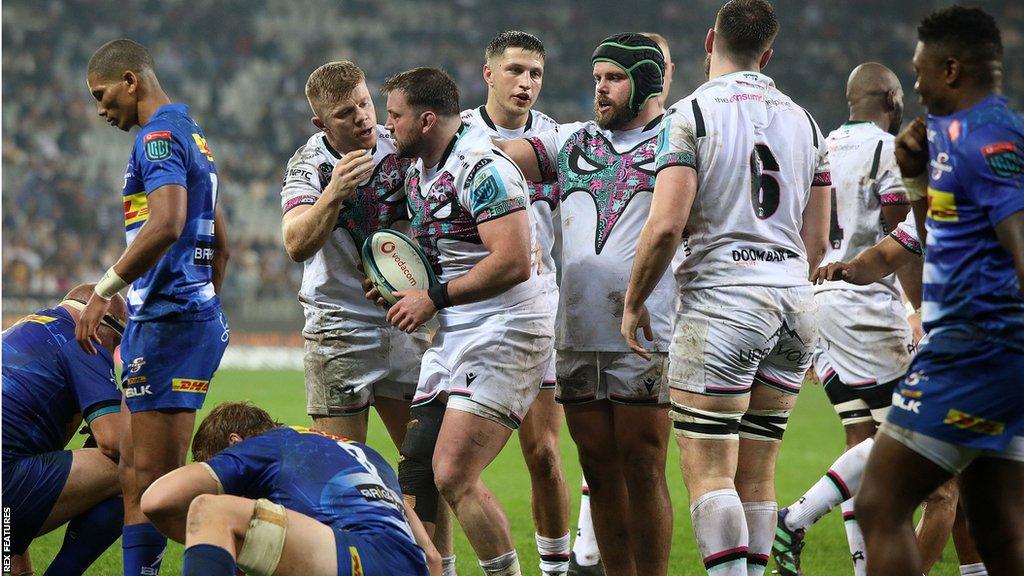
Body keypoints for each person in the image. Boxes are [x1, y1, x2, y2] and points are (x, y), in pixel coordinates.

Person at [621, 1, 833, 574]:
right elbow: (817, 241)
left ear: (711, 39)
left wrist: (635, 299)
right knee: (759, 472)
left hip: (724, 303)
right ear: (769, 54)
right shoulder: (807, 121)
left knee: (710, 470)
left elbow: (665, 224)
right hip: (794, 302)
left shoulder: (691, 114)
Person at [497, 32, 676, 576]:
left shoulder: (677, 141)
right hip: (575, 331)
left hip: (644, 331)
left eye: (614, 78)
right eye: (597, 78)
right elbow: (501, 157)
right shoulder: (571, 141)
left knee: (643, 466)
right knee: (597, 469)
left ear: (644, 80)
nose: (600, 88)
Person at [855, 6, 1024, 575]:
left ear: (951, 69)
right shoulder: (956, 138)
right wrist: (917, 184)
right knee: (998, 528)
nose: (917, 86)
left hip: (976, 351)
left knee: (880, 502)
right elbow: (942, 244)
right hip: (992, 355)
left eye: (921, 71)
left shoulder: (992, 142)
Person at [379, 67, 553, 576]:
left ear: (427, 120)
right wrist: (401, 287)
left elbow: (514, 260)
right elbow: (449, 253)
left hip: (509, 324)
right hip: (460, 325)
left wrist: (431, 297)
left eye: (395, 115)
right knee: (417, 471)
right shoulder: (418, 170)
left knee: (453, 471)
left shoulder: (483, 168)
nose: (388, 126)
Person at [82, 38, 230, 575]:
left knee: (157, 485)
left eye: (102, 95)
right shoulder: (191, 134)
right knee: (131, 472)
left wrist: (103, 291)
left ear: (130, 80)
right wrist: (207, 304)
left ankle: (242, 549)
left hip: (172, 324)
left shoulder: (160, 137)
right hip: (167, 321)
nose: (101, 109)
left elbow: (167, 224)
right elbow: (221, 240)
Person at [771, 62, 920, 576]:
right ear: (892, 98)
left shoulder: (819, 145)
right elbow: (902, 238)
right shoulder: (888, 149)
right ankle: (795, 517)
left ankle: (862, 568)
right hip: (867, 306)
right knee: (909, 440)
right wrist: (912, 308)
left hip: (819, 302)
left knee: (860, 442)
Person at [459, 30, 571, 576]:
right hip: (468, 317)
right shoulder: (456, 136)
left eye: (535, 74)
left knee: (544, 454)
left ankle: (555, 569)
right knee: (449, 463)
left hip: (537, 311)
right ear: (488, 74)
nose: (526, 83)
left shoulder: (558, 139)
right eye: (515, 70)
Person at [280, 60, 427, 447]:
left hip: (404, 322)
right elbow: (295, 244)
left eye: (364, 103)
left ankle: (421, 513)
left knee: (423, 470)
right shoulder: (308, 166)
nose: (362, 118)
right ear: (321, 124)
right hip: (339, 328)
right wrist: (333, 193)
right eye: (346, 114)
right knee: (343, 470)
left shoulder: (400, 146)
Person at [140, 402, 438, 576]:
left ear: (235, 444)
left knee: (209, 510)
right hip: (402, 564)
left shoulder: (265, 446)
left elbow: (157, 500)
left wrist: (228, 550)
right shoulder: (367, 456)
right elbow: (432, 558)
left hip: (362, 558)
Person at [2, 285, 128, 576]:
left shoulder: (21, 329)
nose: (113, 351)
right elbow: (114, 442)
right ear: (99, 321)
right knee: (135, 466)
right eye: (117, 341)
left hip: (4, 501)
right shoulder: (85, 340)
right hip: (5, 490)